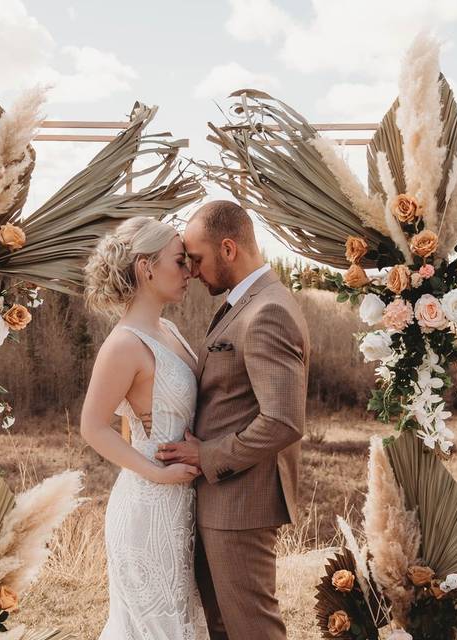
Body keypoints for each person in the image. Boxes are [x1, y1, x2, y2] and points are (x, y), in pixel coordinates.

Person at [157, 200, 309, 640]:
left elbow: (283, 421)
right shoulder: (244, 304)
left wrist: (207, 454)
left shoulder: (268, 312)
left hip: (241, 504)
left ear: (228, 249)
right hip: (223, 501)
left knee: (252, 630)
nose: (193, 271)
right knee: (223, 628)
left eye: (198, 259)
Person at [80, 216, 208, 640]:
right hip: (147, 508)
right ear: (146, 267)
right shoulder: (123, 344)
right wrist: (158, 473)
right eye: (179, 261)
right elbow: (93, 427)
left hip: (181, 504)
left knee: (181, 622)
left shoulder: (167, 330)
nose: (189, 271)